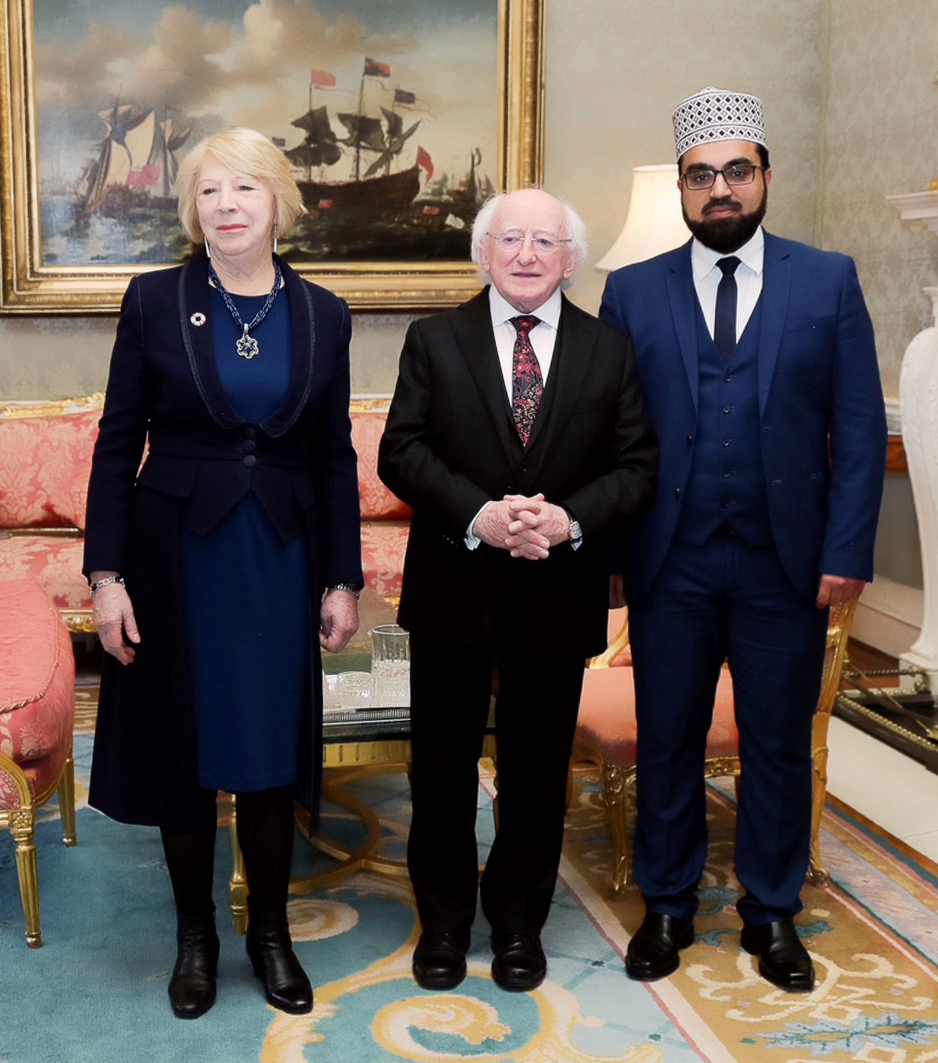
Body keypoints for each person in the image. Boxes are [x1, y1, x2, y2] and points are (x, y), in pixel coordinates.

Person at [599, 87, 887, 992]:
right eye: (701, 175)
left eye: (736, 171)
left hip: (786, 563)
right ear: (682, 188)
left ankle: (772, 912)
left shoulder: (828, 278)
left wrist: (846, 552)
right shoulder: (632, 289)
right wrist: (610, 556)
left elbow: (861, 430)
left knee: (774, 740)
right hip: (669, 557)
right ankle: (670, 903)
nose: (719, 189)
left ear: (764, 176)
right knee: (668, 735)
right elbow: (611, 431)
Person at [82, 126, 363, 1020]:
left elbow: (331, 457)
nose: (227, 206)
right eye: (209, 192)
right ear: (192, 210)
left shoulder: (324, 312)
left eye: (244, 189)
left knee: (270, 750)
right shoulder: (155, 301)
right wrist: (107, 573)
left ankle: (270, 935)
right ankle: (196, 936)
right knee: (186, 750)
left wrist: (341, 577)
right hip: (176, 556)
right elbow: (118, 442)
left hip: (279, 557)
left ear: (281, 202)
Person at [378, 188, 658, 993]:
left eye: (546, 240)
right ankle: (444, 923)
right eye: (511, 239)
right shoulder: (434, 340)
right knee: (439, 769)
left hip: (556, 592)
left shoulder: (610, 350)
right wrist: (478, 514)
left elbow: (637, 465)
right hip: (454, 587)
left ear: (571, 258)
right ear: (484, 253)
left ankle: (517, 923)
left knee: (537, 773)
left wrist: (569, 520)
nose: (528, 254)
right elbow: (402, 451)